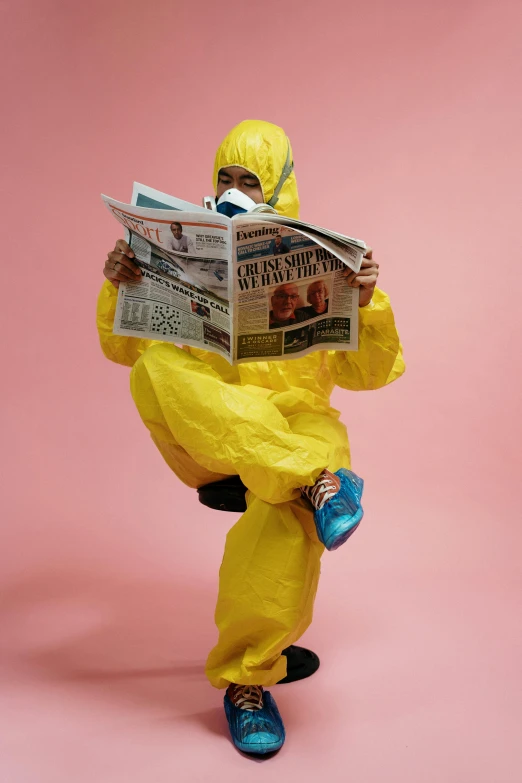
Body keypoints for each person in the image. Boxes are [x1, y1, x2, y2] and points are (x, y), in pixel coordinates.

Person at [97, 119, 405, 756]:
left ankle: (247, 683)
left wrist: (368, 302)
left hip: (301, 423)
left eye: (251, 182)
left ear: (284, 191)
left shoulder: (323, 259)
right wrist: (120, 283)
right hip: (217, 430)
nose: (235, 190)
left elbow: (370, 374)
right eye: (225, 178)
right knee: (157, 368)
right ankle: (316, 483)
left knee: (283, 528)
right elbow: (124, 350)